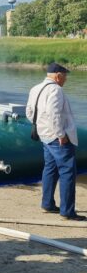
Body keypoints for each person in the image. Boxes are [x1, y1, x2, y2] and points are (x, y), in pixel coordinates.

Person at [26, 62, 84, 221]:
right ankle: (67, 211)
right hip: (57, 138)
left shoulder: (35, 88)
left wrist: (41, 127)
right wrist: (61, 134)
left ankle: (47, 204)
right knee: (67, 172)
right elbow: (54, 114)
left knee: (50, 169)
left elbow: (29, 112)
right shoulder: (56, 90)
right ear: (58, 76)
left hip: (44, 135)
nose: (65, 80)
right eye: (65, 77)